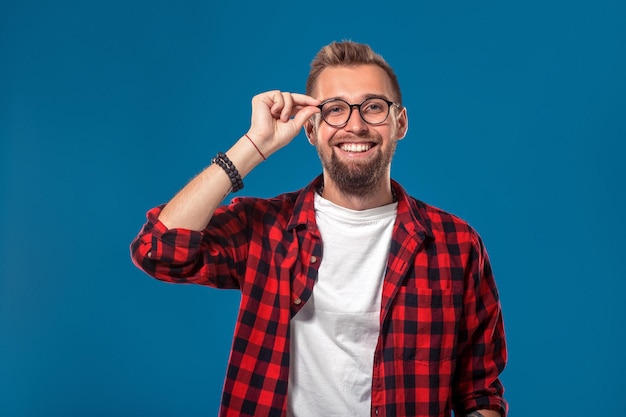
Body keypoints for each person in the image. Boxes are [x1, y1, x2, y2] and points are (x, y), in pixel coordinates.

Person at [130, 40, 507, 417]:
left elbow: (478, 392)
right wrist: (253, 145)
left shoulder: (455, 244)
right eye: (335, 110)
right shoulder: (266, 228)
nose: (355, 125)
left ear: (400, 123)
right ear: (310, 129)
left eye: (373, 107)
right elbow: (158, 249)